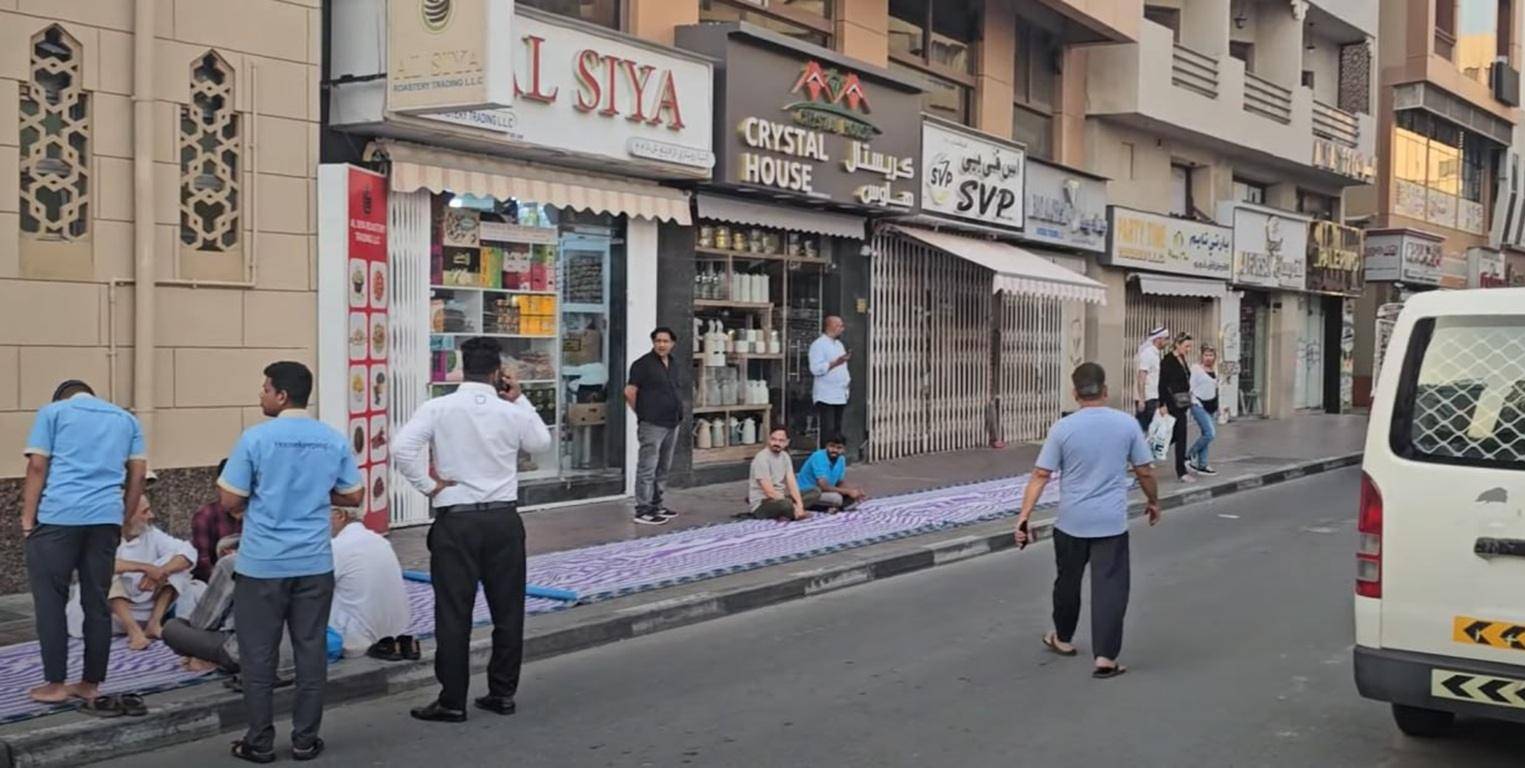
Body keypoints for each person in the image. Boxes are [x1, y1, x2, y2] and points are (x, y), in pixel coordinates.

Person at [393, 337, 552, 724]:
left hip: (457, 520)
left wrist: (428, 486)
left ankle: (452, 700)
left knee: (453, 612)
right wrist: (520, 399)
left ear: (462, 368)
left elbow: (401, 449)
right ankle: (501, 693)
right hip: (502, 520)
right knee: (508, 610)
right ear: (499, 372)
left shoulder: (439, 407)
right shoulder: (510, 410)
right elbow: (541, 443)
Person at [217, 361, 364, 763]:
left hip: (263, 564)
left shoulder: (256, 439)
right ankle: (305, 740)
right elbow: (353, 496)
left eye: (265, 388)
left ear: (281, 395)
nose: (260, 394)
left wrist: (264, 497)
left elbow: (229, 500)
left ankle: (259, 742)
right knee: (310, 651)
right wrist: (316, 494)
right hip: (314, 563)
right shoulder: (331, 440)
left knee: (258, 654)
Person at [1015, 363, 1161, 679]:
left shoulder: (1062, 429)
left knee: (1067, 581)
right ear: (1105, 391)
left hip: (1071, 522)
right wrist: (1153, 501)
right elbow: (1145, 470)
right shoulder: (1126, 425)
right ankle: (1106, 658)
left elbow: (1041, 475)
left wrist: (1024, 517)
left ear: (1075, 393)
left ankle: (1063, 639)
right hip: (1110, 523)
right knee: (1110, 587)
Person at [22, 379, 148, 706]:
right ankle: (91, 683)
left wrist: (27, 518)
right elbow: (138, 472)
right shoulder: (125, 419)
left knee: (51, 601)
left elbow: (37, 466)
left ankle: (55, 684)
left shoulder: (53, 412)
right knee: (98, 602)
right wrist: (124, 515)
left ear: (61, 397)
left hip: (58, 517)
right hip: (104, 518)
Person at [66, 495, 198, 652]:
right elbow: (96, 564)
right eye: (145, 512)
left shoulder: (151, 534)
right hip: (108, 615)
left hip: (146, 607)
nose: (151, 516)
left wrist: (161, 571)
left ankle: (153, 624)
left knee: (178, 570)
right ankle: (134, 632)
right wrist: (144, 568)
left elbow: (188, 552)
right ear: (126, 516)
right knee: (103, 574)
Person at [328, 507, 410, 659]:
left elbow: (314, 588)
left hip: (356, 638)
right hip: (394, 631)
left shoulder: (337, 546)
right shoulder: (381, 541)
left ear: (340, 516)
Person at [624, 327, 683, 527]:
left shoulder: (673, 363)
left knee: (663, 467)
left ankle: (657, 505)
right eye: (658, 341)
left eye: (666, 341)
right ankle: (643, 509)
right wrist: (642, 413)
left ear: (672, 344)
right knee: (647, 467)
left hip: (671, 422)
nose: (661, 344)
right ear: (653, 342)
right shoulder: (642, 365)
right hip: (652, 423)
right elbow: (630, 391)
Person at [746, 427, 817, 521]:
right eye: (773, 439)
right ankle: (791, 513)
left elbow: (791, 482)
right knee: (786, 504)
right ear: (768, 439)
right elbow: (769, 492)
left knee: (814, 492)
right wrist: (793, 505)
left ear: (787, 442)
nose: (776, 443)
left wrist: (800, 504)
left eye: (781, 440)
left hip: (781, 497)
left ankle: (789, 513)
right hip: (763, 503)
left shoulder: (785, 456)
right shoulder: (761, 458)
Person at [190, 459, 242, 581]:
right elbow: (202, 563)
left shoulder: (256, 515)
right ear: (219, 487)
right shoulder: (206, 516)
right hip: (218, 586)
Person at [808, 315, 851, 447]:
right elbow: (815, 369)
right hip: (826, 395)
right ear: (831, 326)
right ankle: (824, 460)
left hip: (840, 393)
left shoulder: (839, 345)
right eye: (839, 326)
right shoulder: (818, 345)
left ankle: (835, 459)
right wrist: (835, 363)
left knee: (837, 430)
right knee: (828, 431)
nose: (842, 329)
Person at [1158, 332, 1195, 483]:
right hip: (1172, 403)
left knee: (1174, 436)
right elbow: (1162, 384)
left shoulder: (1182, 359)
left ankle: (1148, 454)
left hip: (1182, 403)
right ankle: (1181, 471)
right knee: (1180, 437)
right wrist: (1162, 404)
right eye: (1186, 346)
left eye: (1189, 347)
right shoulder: (1168, 361)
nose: (1188, 349)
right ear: (1177, 345)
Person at [796, 434, 866, 511]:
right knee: (836, 499)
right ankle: (819, 507)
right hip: (808, 492)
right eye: (832, 446)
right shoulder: (818, 457)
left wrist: (854, 490)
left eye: (839, 448)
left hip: (825, 492)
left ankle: (832, 507)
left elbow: (839, 482)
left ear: (844, 449)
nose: (835, 450)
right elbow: (823, 486)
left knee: (853, 496)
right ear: (826, 446)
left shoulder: (841, 459)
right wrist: (848, 491)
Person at [1187, 345, 1220, 476]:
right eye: (1206, 355)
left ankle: (1203, 464)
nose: (1208, 358)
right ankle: (1189, 455)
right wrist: (1191, 401)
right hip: (1198, 403)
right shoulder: (1196, 369)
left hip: (1211, 405)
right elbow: (1190, 386)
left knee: (1205, 433)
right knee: (1210, 433)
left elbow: (1216, 389)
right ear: (1201, 356)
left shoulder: (1215, 370)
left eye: (1211, 355)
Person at [1134, 326, 1169, 432]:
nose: (1167, 341)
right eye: (1165, 338)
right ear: (1158, 339)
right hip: (1147, 398)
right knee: (1144, 429)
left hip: (1153, 397)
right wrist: (1141, 399)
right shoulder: (1148, 354)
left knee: (1149, 430)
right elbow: (1142, 376)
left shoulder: (1155, 354)